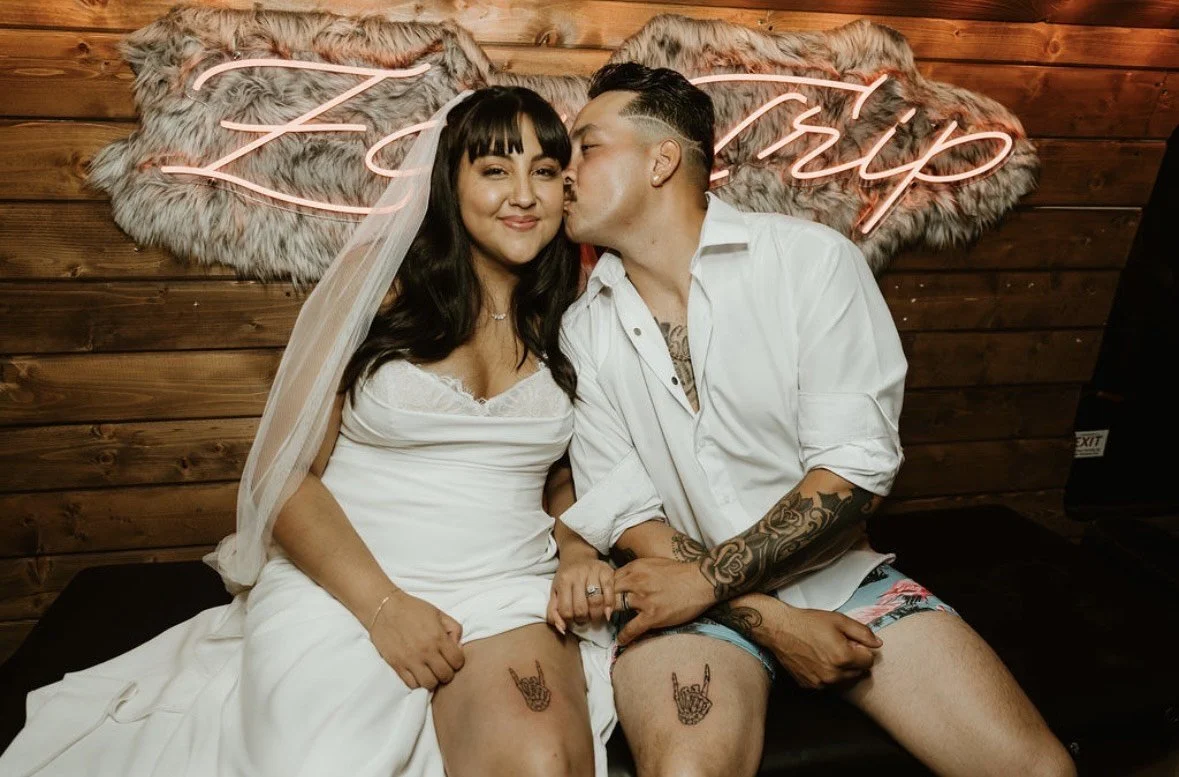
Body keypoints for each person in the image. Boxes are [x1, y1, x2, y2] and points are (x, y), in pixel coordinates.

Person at [0, 86, 617, 777]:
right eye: (495, 169)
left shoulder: (571, 307)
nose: (523, 195)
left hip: (505, 588)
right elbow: (284, 475)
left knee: (542, 761)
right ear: (450, 181)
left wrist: (575, 551)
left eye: (543, 170)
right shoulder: (379, 286)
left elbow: (560, 478)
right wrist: (385, 608)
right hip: (348, 586)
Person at [555, 63, 1077, 777]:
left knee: (1038, 771)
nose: (564, 172)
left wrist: (710, 581)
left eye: (587, 147)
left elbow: (851, 471)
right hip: (684, 605)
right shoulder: (584, 327)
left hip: (838, 582)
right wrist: (769, 619)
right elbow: (628, 512)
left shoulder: (809, 263)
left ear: (661, 160)